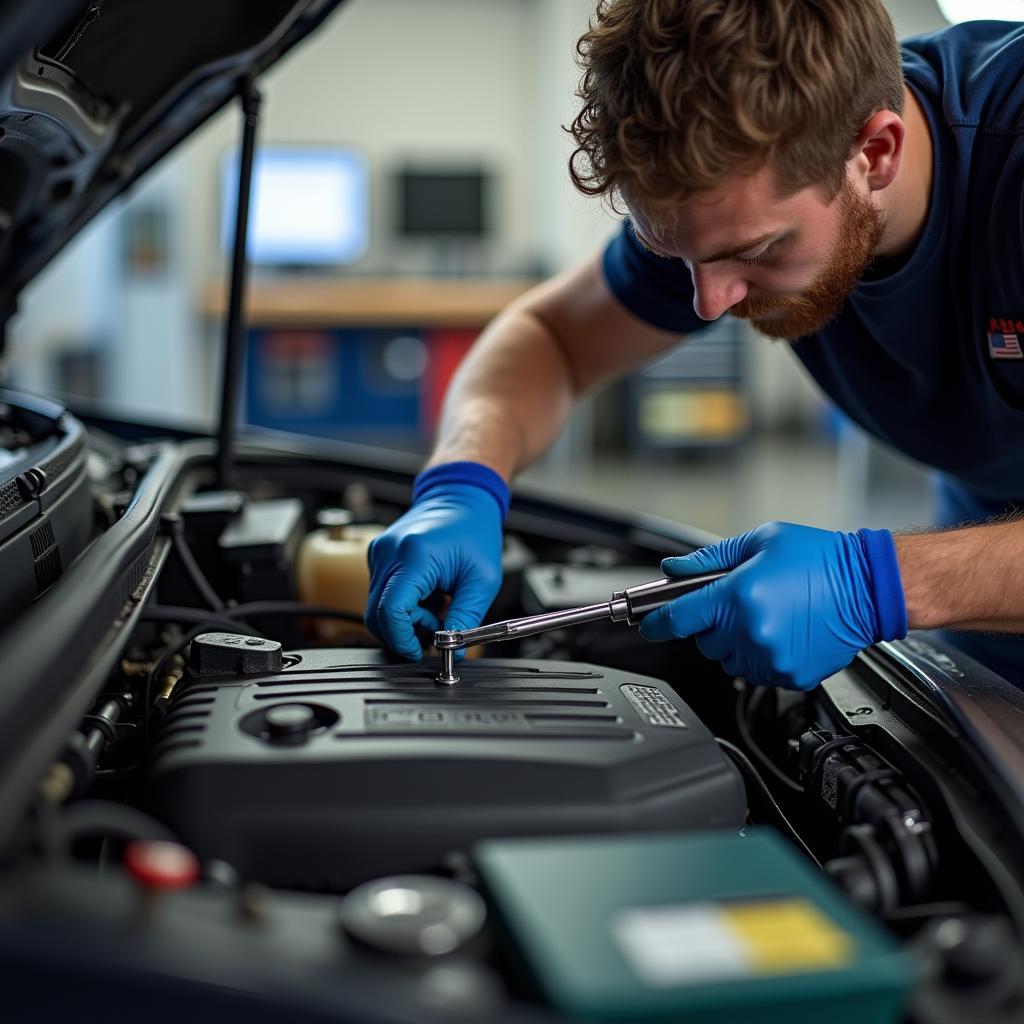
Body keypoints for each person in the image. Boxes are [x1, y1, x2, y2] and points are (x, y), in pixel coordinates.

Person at [366, 0, 1024, 690]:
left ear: (875, 152)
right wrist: (460, 485)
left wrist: (878, 583)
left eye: (760, 249)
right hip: (980, 601)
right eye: (678, 256)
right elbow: (552, 338)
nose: (708, 301)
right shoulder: (719, 209)